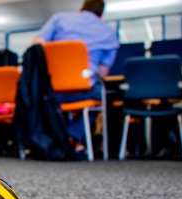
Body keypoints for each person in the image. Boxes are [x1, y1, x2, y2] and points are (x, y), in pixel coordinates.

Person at [33, 0, 119, 152]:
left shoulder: (59, 19)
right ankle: (71, 134)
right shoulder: (109, 32)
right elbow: (102, 73)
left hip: (52, 91)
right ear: (101, 14)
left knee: (42, 101)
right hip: (85, 91)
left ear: (81, 8)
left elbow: (37, 45)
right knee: (103, 97)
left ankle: (56, 137)